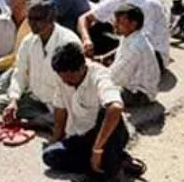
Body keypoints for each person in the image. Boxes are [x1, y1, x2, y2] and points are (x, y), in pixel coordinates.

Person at [42, 42, 132, 181]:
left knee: (106, 112)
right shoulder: (63, 76)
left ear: (81, 67)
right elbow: (60, 108)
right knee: (50, 155)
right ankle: (110, 163)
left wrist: (97, 150)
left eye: (70, 77)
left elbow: (115, 108)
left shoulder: (100, 76)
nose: (66, 81)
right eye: (63, 77)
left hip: (106, 135)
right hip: (81, 135)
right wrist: (56, 137)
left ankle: (107, 164)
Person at [0, 0, 81, 129]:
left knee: (70, 119)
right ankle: (41, 121)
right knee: (3, 102)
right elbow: (20, 72)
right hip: (36, 100)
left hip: (62, 104)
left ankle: (40, 122)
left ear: (52, 18)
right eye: (30, 18)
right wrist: (14, 101)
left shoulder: (68, 42)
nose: (32, 23)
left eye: (38, 19)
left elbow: (75, 86)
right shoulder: (29, 41)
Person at [79, 0, 169, 71]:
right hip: (130, 45)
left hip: (152, 55)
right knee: (96, 28)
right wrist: (86, 40)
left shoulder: (147, 4)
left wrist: (103, 59)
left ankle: (107, 63)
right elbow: (84, 18)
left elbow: (141, 43)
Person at [109, 4, 160, 107]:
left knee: (98, 93)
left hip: (139, 94)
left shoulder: (135, 48)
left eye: (119, 22)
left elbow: (115, 78)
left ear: (133, 24)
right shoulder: (130, 36)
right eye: (116, 20)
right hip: (132, 85)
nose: (115, 24)